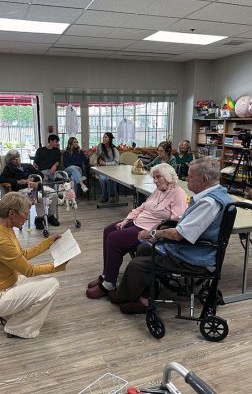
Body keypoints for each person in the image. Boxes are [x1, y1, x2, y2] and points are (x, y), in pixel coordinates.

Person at [109, 157, 233, 314]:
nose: (186, 179)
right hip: (198, 249)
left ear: (204, 179)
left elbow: (178, 235)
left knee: (138, 264)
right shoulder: (219, 194)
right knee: (143, 249)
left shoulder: (208, 203)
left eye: (190, 176)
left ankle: (124, 296)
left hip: (194, 257)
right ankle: (145, 298)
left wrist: (152, 233)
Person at [86, 163, 188, 299]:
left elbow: (175, 221)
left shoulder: (178, 194)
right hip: (137, 222)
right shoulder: (158, 190)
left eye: (158, 177)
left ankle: (109, 283)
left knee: (114, 239)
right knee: (108, 230)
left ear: (168, 177)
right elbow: (142, 207)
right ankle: (106, 275)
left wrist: (155, 231)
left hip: (148, 230)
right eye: (154, 178)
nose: (155, 181)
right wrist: (125, 220)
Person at [0, 192, 67, 338]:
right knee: (52, 284)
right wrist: (58, 265)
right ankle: (18, 327)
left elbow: (22, 255)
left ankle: (9, 316)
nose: (27, 217)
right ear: (12, 214)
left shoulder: (4, 228)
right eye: (25, 213)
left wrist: (48, 242)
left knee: (44, 280)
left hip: (6, 286)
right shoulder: (0, 239)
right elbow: (29, 270)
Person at [0, 149, 59, 228]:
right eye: (13, 158)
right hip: (23, 190)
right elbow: (2, 179)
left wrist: (35, 181)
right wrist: (20, 181)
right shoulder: (8, 168)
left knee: (53, 194)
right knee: (39, 197)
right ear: (9, 161)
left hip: (36, 186)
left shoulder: (28, 165)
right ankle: (40, 218)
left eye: (17, 157)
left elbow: (40, 175)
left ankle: (50, 216)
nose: (16, 159)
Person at [97, 132, 120, 203]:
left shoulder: (114, 149)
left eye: (106, 137)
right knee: (103, 179)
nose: (104, 138)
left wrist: (105, 164)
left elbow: (116, 162)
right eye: (103, 137)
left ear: (110, 139)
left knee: (109, 179)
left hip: (112, 170)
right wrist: (99, 161)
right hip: (102, 169)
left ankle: (113, 196)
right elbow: (98, 156)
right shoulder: (100, 146)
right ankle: (105, 196)